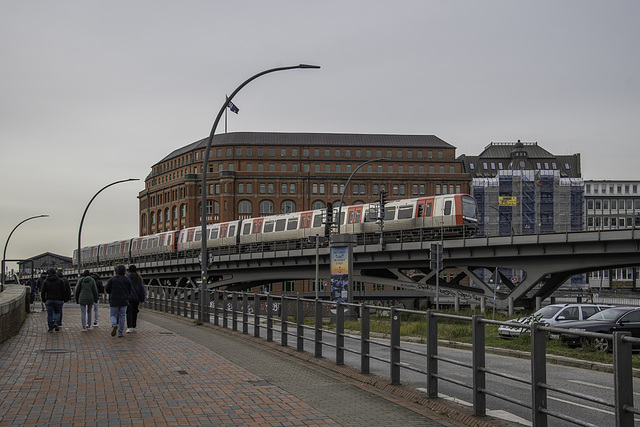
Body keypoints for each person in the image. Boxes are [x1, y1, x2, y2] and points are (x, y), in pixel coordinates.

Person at [105, 265, 131, 337]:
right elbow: (130, 290)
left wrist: (112, 292)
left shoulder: (112, 279)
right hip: (124, 300)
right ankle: (120, 332)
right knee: (122, 316)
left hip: (114, 300)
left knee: (113, 315)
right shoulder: (127, 280)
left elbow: (107, 289)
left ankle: (114, 324)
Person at [126, 265, 145, 333]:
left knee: (129, 312)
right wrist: (142, 299)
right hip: (136, 298)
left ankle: (129, 327)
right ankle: (134, 326)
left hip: (128, 298)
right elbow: (142, 289)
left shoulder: (126, 277)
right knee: (135, 312)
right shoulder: (139, 278)